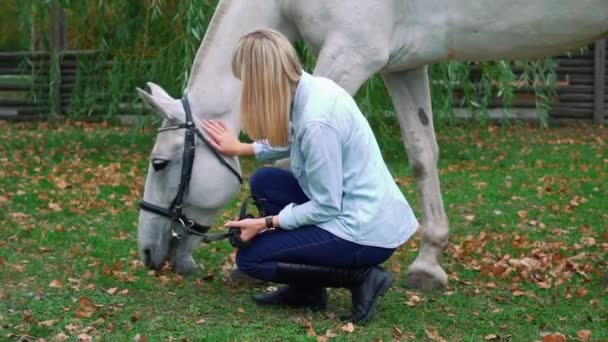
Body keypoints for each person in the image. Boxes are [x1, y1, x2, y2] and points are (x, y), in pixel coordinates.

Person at [201, 28, 418, 325]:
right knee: (265, 182)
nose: (245, 90)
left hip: (362, 231)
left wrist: (266, 223)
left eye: (247, 82)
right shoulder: (311, 89)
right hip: (353, 209)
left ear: (262, 81)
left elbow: (326, 206)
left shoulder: (318, 121)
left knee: (252, 260)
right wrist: (241, 147)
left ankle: (362, 277)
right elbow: (294, 135)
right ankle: (307, 292)